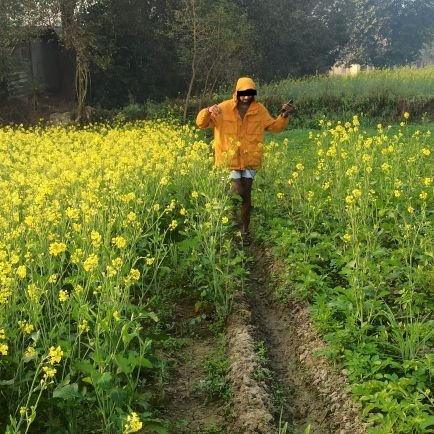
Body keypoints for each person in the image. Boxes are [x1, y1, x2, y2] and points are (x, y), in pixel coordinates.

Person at [196, 76, 294, 245]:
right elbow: (201, 123)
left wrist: (283, 115)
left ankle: (245, 231)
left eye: (250, 93)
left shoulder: (259, 110)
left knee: (246, 195)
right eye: (243, 93)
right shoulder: (222, 108)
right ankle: (233, 227)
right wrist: (208, 110)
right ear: (236, 92)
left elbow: (273, 127)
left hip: (250, 159)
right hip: (229, 159)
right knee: (237, 191)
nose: (246, 96)